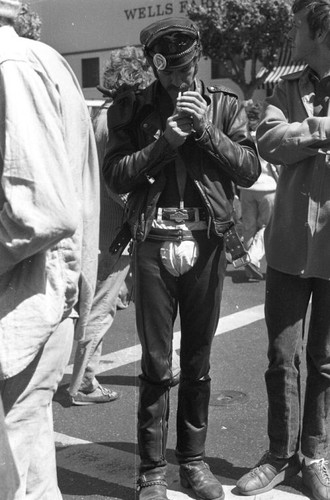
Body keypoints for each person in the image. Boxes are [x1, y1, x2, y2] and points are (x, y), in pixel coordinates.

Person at [103, 17, 260, 500]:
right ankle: (151, 472)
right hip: (153, 240)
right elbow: (117, 177)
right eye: (170, 73)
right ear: (155, 66)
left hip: (207, 240)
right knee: (154, 360)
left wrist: (207, 131)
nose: (180, 81)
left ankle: (192, 462)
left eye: (187, 69)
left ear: (197, 60)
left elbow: (250, 169)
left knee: (198, 359)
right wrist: (164, 142)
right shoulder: (132, 110)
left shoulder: (224, 106)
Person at [0, 1, 100, 498]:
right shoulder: (40, 59)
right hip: (40, 299)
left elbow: (39, 213)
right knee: (30, 459)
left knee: (16, 461)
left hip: (22, 305)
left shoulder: (9, 64)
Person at [236, 2, 330, 500]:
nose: (290, 33)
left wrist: (302, 136)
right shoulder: (287, 87)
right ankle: (279, 455)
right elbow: (268, 139)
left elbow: (284, 140)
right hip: (288, 247)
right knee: (280, 357)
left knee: (326, 361)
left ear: (321, 30)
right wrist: (321, 131)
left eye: (297, 25)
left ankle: (314, 455)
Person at [67, 46, 153, 405]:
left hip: (104, 223)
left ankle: (166, 360)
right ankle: (84, 381)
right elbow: (116, 179)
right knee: (103, 302)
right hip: (116, 226)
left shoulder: (102, 115)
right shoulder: (114, 120)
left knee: (133, 295)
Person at [239, 103, 279, 281]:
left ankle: (248, 264)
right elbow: (275, 166)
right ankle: (252, 259)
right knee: (267, 226)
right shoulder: (266, 137)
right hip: (268, 187)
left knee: (248, 227)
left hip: (246, 188)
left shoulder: (242, 137)